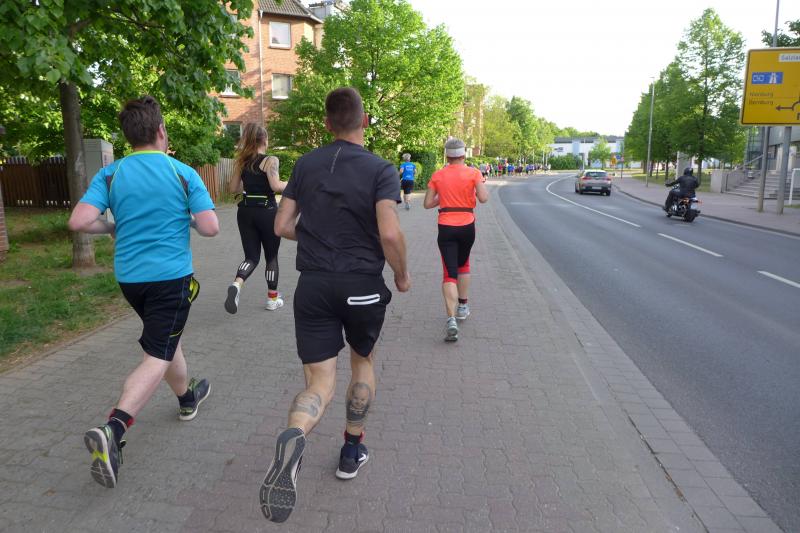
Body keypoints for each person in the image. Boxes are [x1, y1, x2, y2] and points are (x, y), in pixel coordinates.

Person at [259, 87, 410, 523]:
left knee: (319, 382)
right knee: (362, 362)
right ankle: (350, 450)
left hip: (314, 286)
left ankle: (295, 433)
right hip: (362, 286)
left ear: (327, 124)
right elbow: (390, 233)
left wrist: (316, 236)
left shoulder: (306, 165)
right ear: (365, 121)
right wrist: (401, 275)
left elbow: (281, 225)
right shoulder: (381, 169)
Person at [68, 96, 218, 488]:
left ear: (129, 136)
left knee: (166, 340)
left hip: (130, 280)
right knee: (157, 353)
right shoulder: (182, 172)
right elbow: (211, 227)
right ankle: (114, 429)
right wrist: (186, 218)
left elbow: (79, 221)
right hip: (170, 278)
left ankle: (187, 398)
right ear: (161, 131)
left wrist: (111, 227)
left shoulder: (112, 174)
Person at [424, 138, 489, 342]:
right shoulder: (474, 173)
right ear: (463, 154)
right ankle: (463, 306)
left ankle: (451, 319)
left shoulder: (438, 175)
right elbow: (484, 198)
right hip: (467, 225)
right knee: (464, 264)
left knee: (449, 273)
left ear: (447, 156)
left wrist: (442, 198)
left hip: (446, 226)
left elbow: (427, 203)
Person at [224, 123, 287, 314]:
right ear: (264, 140)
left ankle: (237, 284)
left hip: (245, 212)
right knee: (271, 256)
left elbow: (233, 189)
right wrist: (293, 183)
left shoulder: (242, 161)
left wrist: (249, 182)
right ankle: (272, 299)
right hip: (267, 211)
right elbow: (276, 186)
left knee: (251, 257)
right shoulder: (270, 160)